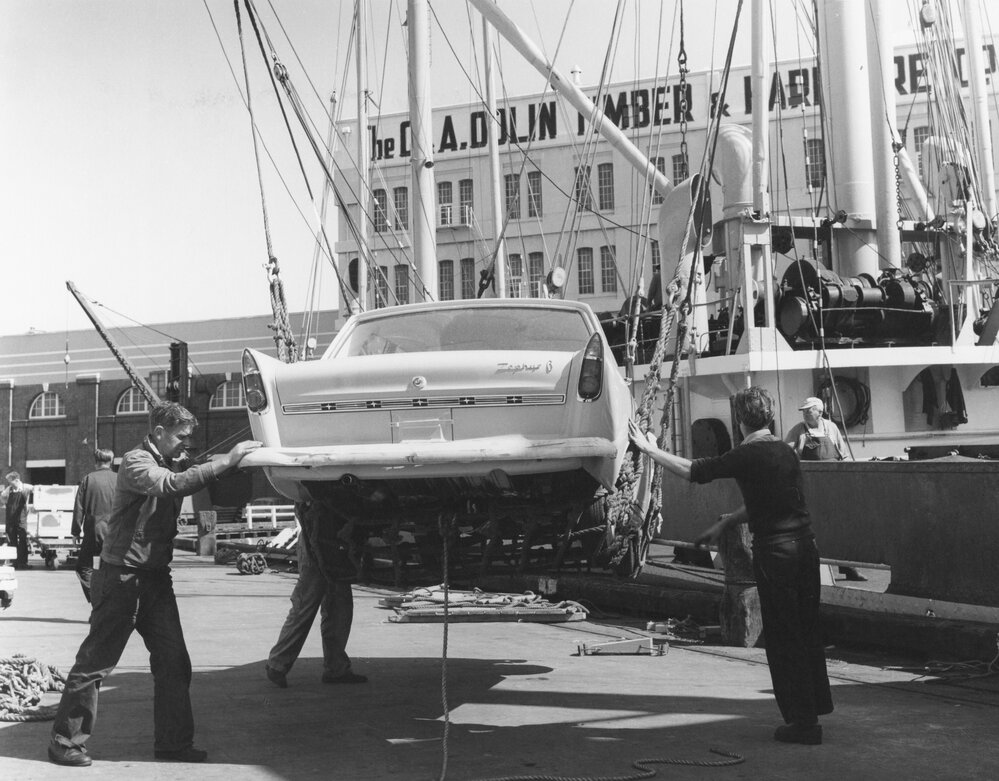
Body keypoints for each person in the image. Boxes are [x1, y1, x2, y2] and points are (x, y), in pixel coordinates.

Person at [47, 402, 261, 767]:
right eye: (181, 437)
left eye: (189, 439)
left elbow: (191, 474)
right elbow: (170, 485)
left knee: (174, 662)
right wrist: (226, 461)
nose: (185, 445)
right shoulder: (135, 463)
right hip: (122, 578)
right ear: (159, 432)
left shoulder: (172, 461)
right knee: (96, 663)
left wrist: (238, 461)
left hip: (156, 579)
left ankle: (173, 744)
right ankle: (64, 742)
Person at [629, 387, 833, 745]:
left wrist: (649, 450)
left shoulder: (746, 454)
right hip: (805, 549)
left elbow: (695, 471)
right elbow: (769, 499)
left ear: (739, 421)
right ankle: (814, 709)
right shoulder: (785, 450)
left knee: (783, 636)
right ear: (769, 417)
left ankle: (803, 724)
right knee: (805, 628)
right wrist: (727, 522)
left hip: (777, 554)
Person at [264, 498, 366, 688]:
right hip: (316, 539)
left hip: (335, 540)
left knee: (339, 607)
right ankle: (277, 663)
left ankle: (336, 668)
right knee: (306, 602)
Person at [784, 396, 866, 582]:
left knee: (840, 526)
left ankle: (848, 567)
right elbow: (786, 455)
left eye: (808, 410)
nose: (805, 413)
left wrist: (849, 479)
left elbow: (843, 455)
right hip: (808, 486)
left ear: (819, 412)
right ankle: (812, 569)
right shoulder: (798, 431)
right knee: (812, 528)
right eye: (803, 411)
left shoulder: (832, 428)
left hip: (833, 485)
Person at [71, 448, 117, 603]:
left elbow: (79, 508)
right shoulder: (119, 480)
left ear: (96, 462)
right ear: (111, 461)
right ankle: (108, 604)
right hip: (116, 533)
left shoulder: (88, 479)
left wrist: (75, 532)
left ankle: (97, 601)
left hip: (93, 531)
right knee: (110, 570)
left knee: (83, 567)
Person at [2, 471, 34, 570]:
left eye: (11, 482)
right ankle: (14, 563)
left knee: (23, 541)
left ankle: (23, 563)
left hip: (21, 519)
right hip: (11, 520)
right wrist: (5, 502)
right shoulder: (9, 489)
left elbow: (37, 491)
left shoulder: (26, 487)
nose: (10, 484)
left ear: (17, 480)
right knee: (12, 541)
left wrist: (31, 506)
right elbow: (2, 497)